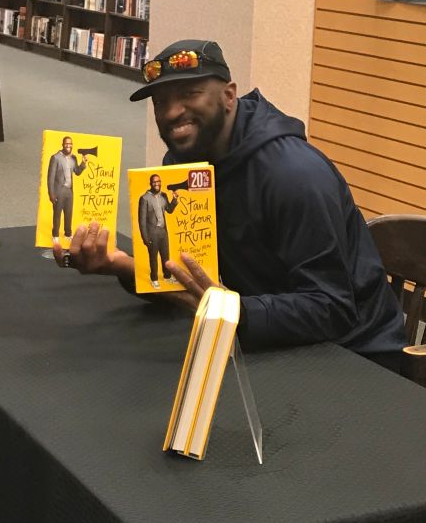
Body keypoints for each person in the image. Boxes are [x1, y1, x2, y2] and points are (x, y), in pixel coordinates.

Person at [54, 39, 405, 371]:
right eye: (160, 101)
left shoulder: (294, 175)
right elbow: (190, 281)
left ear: (229, 96)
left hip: (356, 356)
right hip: (266, 337)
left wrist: (232, 309)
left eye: (189, 94)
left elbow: (332, 308)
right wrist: (121, 265)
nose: (172, 112)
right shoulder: (181, 164)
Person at [137, 173, 177, 288]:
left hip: (163, 232)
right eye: (154, 182)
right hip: (152, 234)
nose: (157, 184)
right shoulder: (144, 198)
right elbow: (142, 221)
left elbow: (169, 210)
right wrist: (145, 238)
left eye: (158, 181)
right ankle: (154, 279)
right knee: (153, 257)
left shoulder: (163, 195)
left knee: (165, 256)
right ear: (150, 183)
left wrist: (174, 200)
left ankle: (167, 276)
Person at [47, 136, 87, 239]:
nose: (68, 145)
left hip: (69, 191)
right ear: (62, 144)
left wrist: (83, 163)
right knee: (57, 213)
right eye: (66, 144)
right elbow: (50, 178)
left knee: (69, 213)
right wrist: (51, 194)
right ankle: (55, 235)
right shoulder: (55, 158)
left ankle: (68, 234)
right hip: (59, 190)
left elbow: (77, 172)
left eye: (70, 144)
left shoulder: (73, 158)